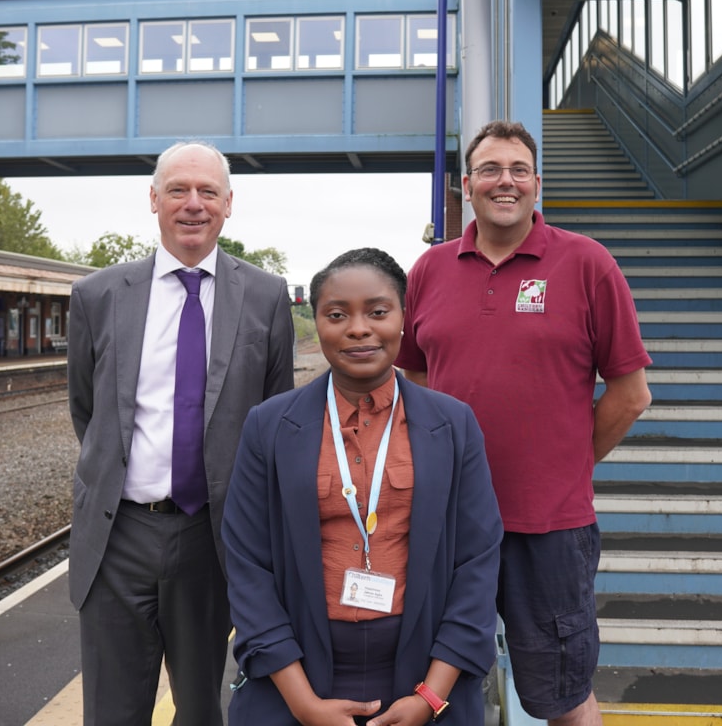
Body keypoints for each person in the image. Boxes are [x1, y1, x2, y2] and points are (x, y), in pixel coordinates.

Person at [395, 120, 653, 726]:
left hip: (550, 528)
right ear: (468, 184)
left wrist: (569, 462)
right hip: (447, 520)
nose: (503, 181)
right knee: (435, 687)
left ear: (537, 183)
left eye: (517, 170)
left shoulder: (587, 264)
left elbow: (631, 393)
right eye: (489, 169)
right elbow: (417, 377)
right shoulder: (429, 270)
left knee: (560, 695)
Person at [222, 248, 503, 726]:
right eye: (337, 315)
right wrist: (304, 705)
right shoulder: (269, 426)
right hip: (298, 674)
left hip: (423, 673)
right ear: (316, 322)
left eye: (377, 311)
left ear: (403, 318)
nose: (358, 328)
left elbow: (477, 563)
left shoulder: (453, 424)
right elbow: (248, 565)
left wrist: (430, 699)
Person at [67, 140, 296, 726]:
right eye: (177, 190)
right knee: (113, 711)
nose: (193, 204)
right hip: (119, 536)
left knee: (200, 709)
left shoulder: (267, 297)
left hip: (211, 537)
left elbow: (273, 419)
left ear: (228, 204)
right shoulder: (96, 296)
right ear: (153, 199)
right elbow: (87, 411)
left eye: (207, 192)